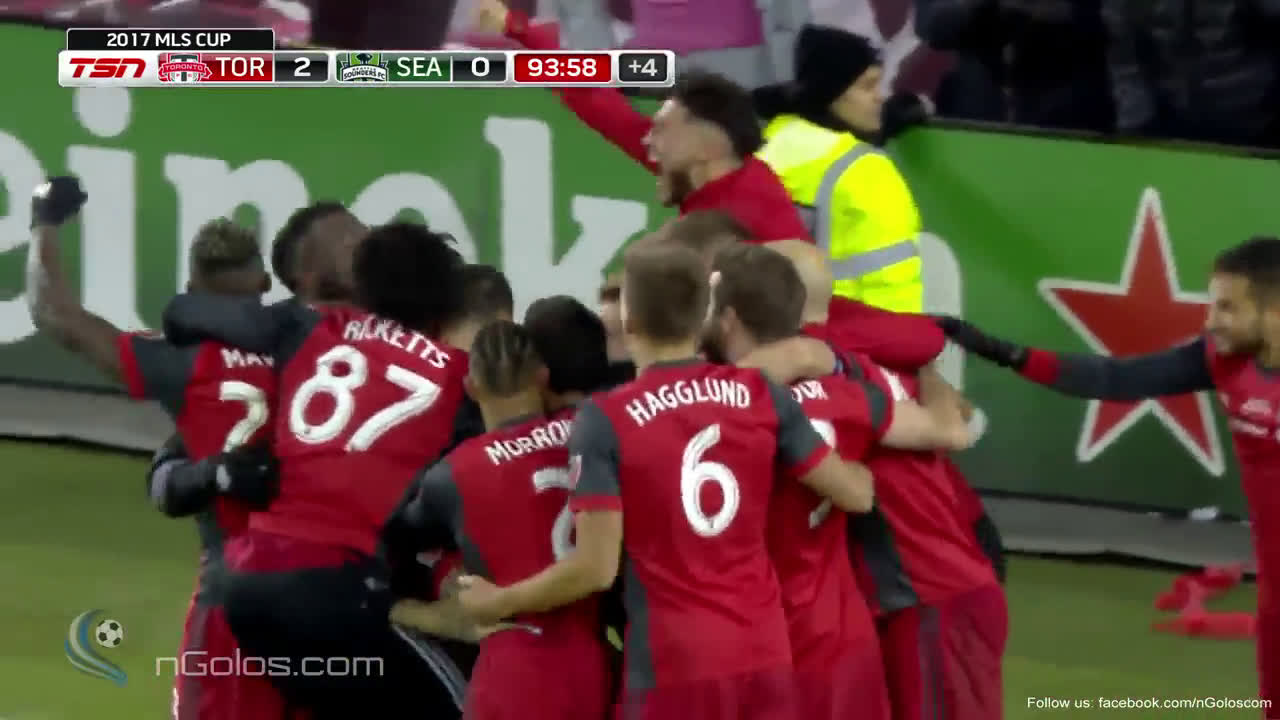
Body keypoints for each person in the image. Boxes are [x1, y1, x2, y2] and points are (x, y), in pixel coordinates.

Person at [453, 241, 876, 720]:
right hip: (763, 655)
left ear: (629, 321)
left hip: (673, 665)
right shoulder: (761, 395)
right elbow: (855, 494)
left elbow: (595, 569)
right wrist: (863, 469)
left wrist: (498, 601)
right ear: (704, 317)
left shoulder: (606, 419)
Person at [936, 235, 1280, 711]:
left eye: (1228, 308)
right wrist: (1004, 352)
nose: (1210, 321)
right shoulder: (1219, 357)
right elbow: (1114, 378)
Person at [159, 221, 474, 719]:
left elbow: (184, 313)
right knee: (464, 705)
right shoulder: (456, 377)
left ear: (363, 285)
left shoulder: (307, 328)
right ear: (444, 304)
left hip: (246, 583)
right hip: (334, 586)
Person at [26, 177, 289, 720]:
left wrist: (44, 222)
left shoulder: (180, 363)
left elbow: (55, 314)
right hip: (328, 582)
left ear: (191, 285)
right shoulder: (314, 354)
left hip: (232, 588)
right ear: (265, 281)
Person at [701, 243, 973, 720]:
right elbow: (949, 428)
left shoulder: (710, 402)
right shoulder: (847, 390)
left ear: (728, 319)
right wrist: (929, 373)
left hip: (748, 631)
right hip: (836, 630)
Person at [765, 239, 1005, 719]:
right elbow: (955, 420)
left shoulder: (809, 365)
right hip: (919, 595)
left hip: (929, 596)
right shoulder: (864, 352)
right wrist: (928, 371)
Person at [387, 320, 612, 720]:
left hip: (513, 660)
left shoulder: (453, 474)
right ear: (541, 376)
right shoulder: (591, 428)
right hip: (594, 663)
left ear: (471, 387)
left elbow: (391, 537)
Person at [753, 25, 924, 313]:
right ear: (830, 93)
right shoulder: (865, 170)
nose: (880, 97)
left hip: (771, 326)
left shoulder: (765, 149)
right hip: (849, 333)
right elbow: (892, 284)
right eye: (867, 86)